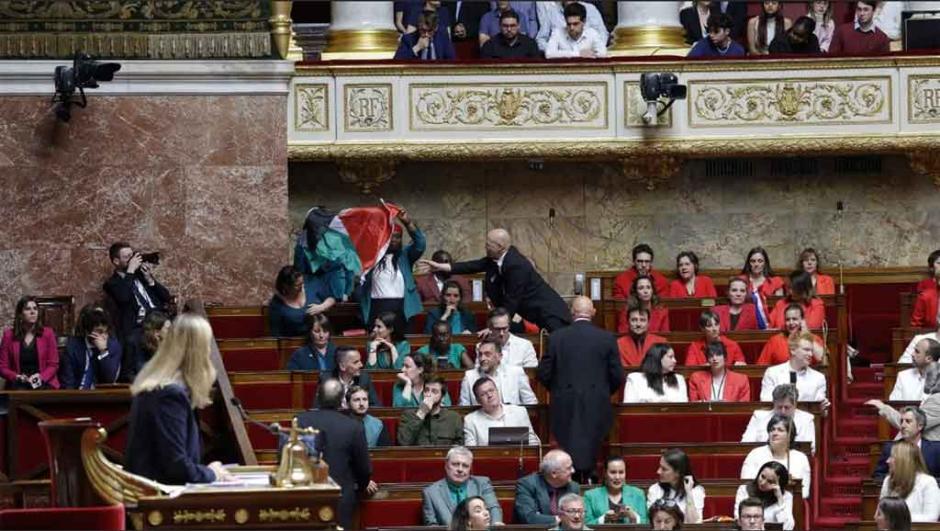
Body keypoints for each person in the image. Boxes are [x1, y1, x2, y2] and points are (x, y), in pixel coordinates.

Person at [126, 314, 232, 485]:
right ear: (196, 352)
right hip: (159, 501)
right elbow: (176, 467)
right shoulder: (169, 395)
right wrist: (211, 473)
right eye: (207, 346)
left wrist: (206, 470)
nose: (210, 354)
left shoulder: (163, 387)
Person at [538, 297, 624, 481]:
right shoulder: (607, 338)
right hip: (597, 403)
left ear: (572, 312)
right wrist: (602, 392)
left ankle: (569, 480)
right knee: (594, 447)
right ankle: (591, 478)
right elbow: (617, 375)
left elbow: (544, 373)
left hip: (564, 403)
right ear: (593, 312)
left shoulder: (556, 338)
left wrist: (558, 391)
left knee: (568, 445)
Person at [423, 229, 572, 332]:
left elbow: (512, 300)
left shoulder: (516, 265)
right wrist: (440, 267)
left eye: (488, 244)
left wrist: (496, 325)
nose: (485, 246)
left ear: (500, 247)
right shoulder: (496, 259)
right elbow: (471, 266)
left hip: (552, 315)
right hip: (537, 315)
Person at [296, 378, 374, 529]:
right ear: (341, 400)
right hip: (342, 497)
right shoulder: (353, 427)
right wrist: (359, 486)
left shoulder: (301, 420)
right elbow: (364, 469)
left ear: (318, 397)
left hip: (307, 494)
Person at [103, 242, 171, 376]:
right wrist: (130, 271)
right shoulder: (112, 283)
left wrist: (150, 280)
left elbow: (166, 297)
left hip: (160, 319)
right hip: (139, 326)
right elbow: (123, 298)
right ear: (116, 261)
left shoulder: (141, 276)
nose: (133, 259)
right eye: (127, 257)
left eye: (132, 255)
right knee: (134, 341)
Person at [359, 208, 426, 334]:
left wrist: (407, 222)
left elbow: (420, 244)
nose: (394, 240)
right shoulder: (372, 256)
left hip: (401, 308)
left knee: (402, 343)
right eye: (390, 237)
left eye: (397, 237)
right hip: (377, 307)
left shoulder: (405, 255)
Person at [422, 446, 503, 526]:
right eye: (455, 464)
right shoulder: (431, 493)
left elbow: (494, 509)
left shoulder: (482, 483)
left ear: (470, 468)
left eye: (465, 466)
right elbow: (432, 526)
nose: (460, 469)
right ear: (446, 465)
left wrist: (495, 526)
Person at [740, 415, 811, 499]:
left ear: (790, 435)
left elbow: (805, 492)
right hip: (758, 502)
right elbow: (745, 484)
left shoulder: (801, 458)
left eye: (780, 430)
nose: (774, 433)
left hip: (788, 504)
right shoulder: (755, 454)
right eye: (772, 430)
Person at [0, 296, 60, 389]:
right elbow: (3, 367)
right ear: (20, 314)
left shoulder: (48, 334)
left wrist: (40, 377)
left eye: (35, 309)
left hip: (44, 383)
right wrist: (17, 377)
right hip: (19, 385)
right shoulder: (8, 335)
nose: (33, 312)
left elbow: (53, 365)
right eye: (28, 309)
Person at [870, 406, 940, 483]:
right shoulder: (890, 448)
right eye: (901, 421)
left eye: (908, 421)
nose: (903, 426)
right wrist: (896, 480)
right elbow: (878, 476)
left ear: (920, 426)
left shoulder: (936, 449)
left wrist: (922, 482)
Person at [60, 304, 123, 389]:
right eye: (99, 332)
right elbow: (67, 382)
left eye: (105, 332)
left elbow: (110, 379)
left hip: (101, 396)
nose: (103, 336)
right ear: (87, 331)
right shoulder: (72, 347)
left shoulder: (113, 346)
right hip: (76, 395)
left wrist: (103, 351)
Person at [742, 384, 817, 454]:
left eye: (787, 407)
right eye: (779, 407)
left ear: (795, 405)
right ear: (773, 403)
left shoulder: (807, 419)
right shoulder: (759, 417)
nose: (783, 411)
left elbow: (811, 449)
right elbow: (746, 444)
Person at [463, 377, 539, 446]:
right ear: (478, 400)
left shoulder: (520, 412)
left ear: (497, 391)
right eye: (483, 394)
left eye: (491, 390)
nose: (489, 395)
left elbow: (532, 441)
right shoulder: (470, 420)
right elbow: (471, 451)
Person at [459, 339, 536, 406]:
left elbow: (530, 402)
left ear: (499, 356)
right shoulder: (469, 377)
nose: (482, 358)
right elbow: (464, 408)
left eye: (487, 354)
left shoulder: (516, 373)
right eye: (480, 354)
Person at [878, 440, 940, 522]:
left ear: (903, 461)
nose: (887, 461)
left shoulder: (928, 482)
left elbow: (931, 518)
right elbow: (880, 514)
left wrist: (897, 519)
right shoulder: (888, 481)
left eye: (892, 457)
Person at [514, 449, 580, 525]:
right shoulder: (527, 485)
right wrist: (560, 519)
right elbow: (528, 517)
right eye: (569, 468)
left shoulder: (573, 487)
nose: (573, 471)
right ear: (554, 473)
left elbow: (576, 516)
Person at [759, 331, 828, 403]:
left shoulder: (818, 378)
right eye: (806, 350)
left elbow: (820, 411)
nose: (810, 354)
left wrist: (823, 408)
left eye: (811, 350)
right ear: (793, 350)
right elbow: (766, 403)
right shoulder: (772, 373)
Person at [398, 374, 464, 445]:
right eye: (426, 390)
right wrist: (421, 413)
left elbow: (460, 446)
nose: (429, 394)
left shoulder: (453, 418)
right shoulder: (408, 415)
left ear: (443, 397)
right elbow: (403, 442)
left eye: (434, 391)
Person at [584, 456, 648, 525]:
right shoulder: (590, 496)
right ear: (605, 473)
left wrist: (633, 517)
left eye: (621, 472)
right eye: (613, 472)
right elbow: (586, 524)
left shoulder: (638, 494)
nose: (617, 477)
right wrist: (603, 519)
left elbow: (647, 523)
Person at [646, 448, 704, 524]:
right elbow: (653, 522)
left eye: (664, 469)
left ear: (678, 472)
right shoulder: (655, 489)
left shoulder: (696, 491)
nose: (658, 471)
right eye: (660, 467)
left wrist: (689, 493)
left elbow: (693, 524)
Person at [756, 305, 826, 366]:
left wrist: (807, 336)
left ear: (802, 320)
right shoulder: (775, 341)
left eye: (794, 319)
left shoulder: (814, 338)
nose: (791, 323)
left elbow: (823, 360)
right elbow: (761, 367)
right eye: (788, 320)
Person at [735, 462, 795, 530]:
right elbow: (738, 518)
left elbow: (788, 527)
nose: (763, 483)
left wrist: (779, 498)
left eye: (770, 481)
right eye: (762, 476)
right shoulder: (744, 490)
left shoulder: (786, 496)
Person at [624, 344, 688, 403]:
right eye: (670, 357)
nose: (675, 361)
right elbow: (629, 407)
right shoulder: (635, 379)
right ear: (658, 358)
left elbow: (683, 405)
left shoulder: (679, 379)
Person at [536, 1, 608, 52]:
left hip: (589, 58)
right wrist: (560, 52)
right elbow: (540, 40)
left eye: (576, 24)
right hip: (561, 61)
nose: (572, 27)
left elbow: (603, 34)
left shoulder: (591, 9)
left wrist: (593, 50)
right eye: (569, 24)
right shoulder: (551, 12)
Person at [268, 265, 315, 337]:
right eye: (297, 285)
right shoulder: (276, 305)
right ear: (286, 286)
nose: (302, 287)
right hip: (292, 342)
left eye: (302, 283)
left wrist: (322, 306)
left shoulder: (310, 287)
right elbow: (276, 334)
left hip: (315, 340)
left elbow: (331, 298)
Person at [127, 310, 170, 377]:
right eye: (168, 329)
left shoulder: (169, 343)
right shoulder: (133, 342)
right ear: (157, 332)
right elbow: (128, 374)